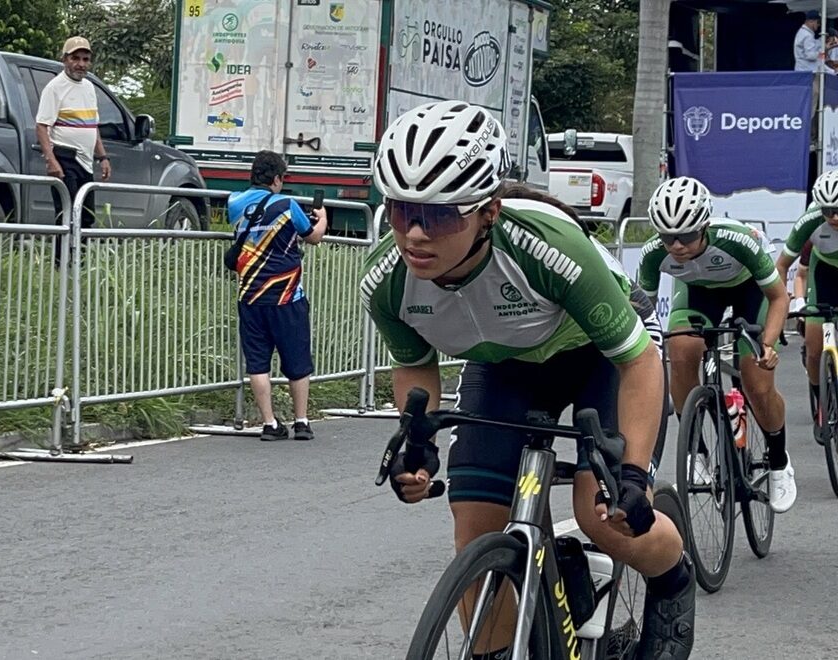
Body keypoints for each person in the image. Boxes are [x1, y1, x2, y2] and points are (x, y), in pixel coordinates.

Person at [361, 100, 694, 659]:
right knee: (474, 530)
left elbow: (637, 362)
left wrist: (632, 472)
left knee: (604, 515)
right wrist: (417, 442)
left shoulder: (549, 250)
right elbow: (415, 364)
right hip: (505, 364)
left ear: (488, 211)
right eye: (400, 211)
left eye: (440, 216)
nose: (415, 234)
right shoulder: (387, 283)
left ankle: (673, 583)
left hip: (600, 355)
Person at [638, 176, 796, 513]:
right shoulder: (654, 255)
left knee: (756, 382)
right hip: (697, 293)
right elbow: (643, 314)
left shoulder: (738, 241)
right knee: (680, 352)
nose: (677, 246)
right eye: (668, 237)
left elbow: (779, 296)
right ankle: (698, 450)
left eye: (687, 236)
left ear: (704, 226)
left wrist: (767, 345)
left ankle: (780, 461)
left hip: (749, 291)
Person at [228, 150, 327, 441]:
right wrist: (322, 219)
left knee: (257, 361)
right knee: (297, 360)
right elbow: (312, 236)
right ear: (276, 179)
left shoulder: (234, 203)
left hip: (250, 296)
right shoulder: (287, 204)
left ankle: (269, 423)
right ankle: (302, 421)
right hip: (287, 297)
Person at [36, 36, 111, 261]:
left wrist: (103, 157)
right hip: (65, 156)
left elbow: (92, 126)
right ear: (65, 60)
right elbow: (41, 125)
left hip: (86, 161)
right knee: (66, 214)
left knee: (86, 217)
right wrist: (51, 160)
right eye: (75, 58)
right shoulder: (55, 87)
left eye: (85, 59)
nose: (81, 64)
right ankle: (62, 264)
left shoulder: (89, 87)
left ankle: (80, 263)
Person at [777, 169, 838, 440]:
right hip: (823, 275)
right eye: (828, 210)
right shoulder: (810, 222)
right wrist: (784, 309)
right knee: (814, 345)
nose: (834, 217)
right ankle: (820, 400)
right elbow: (781, 267)